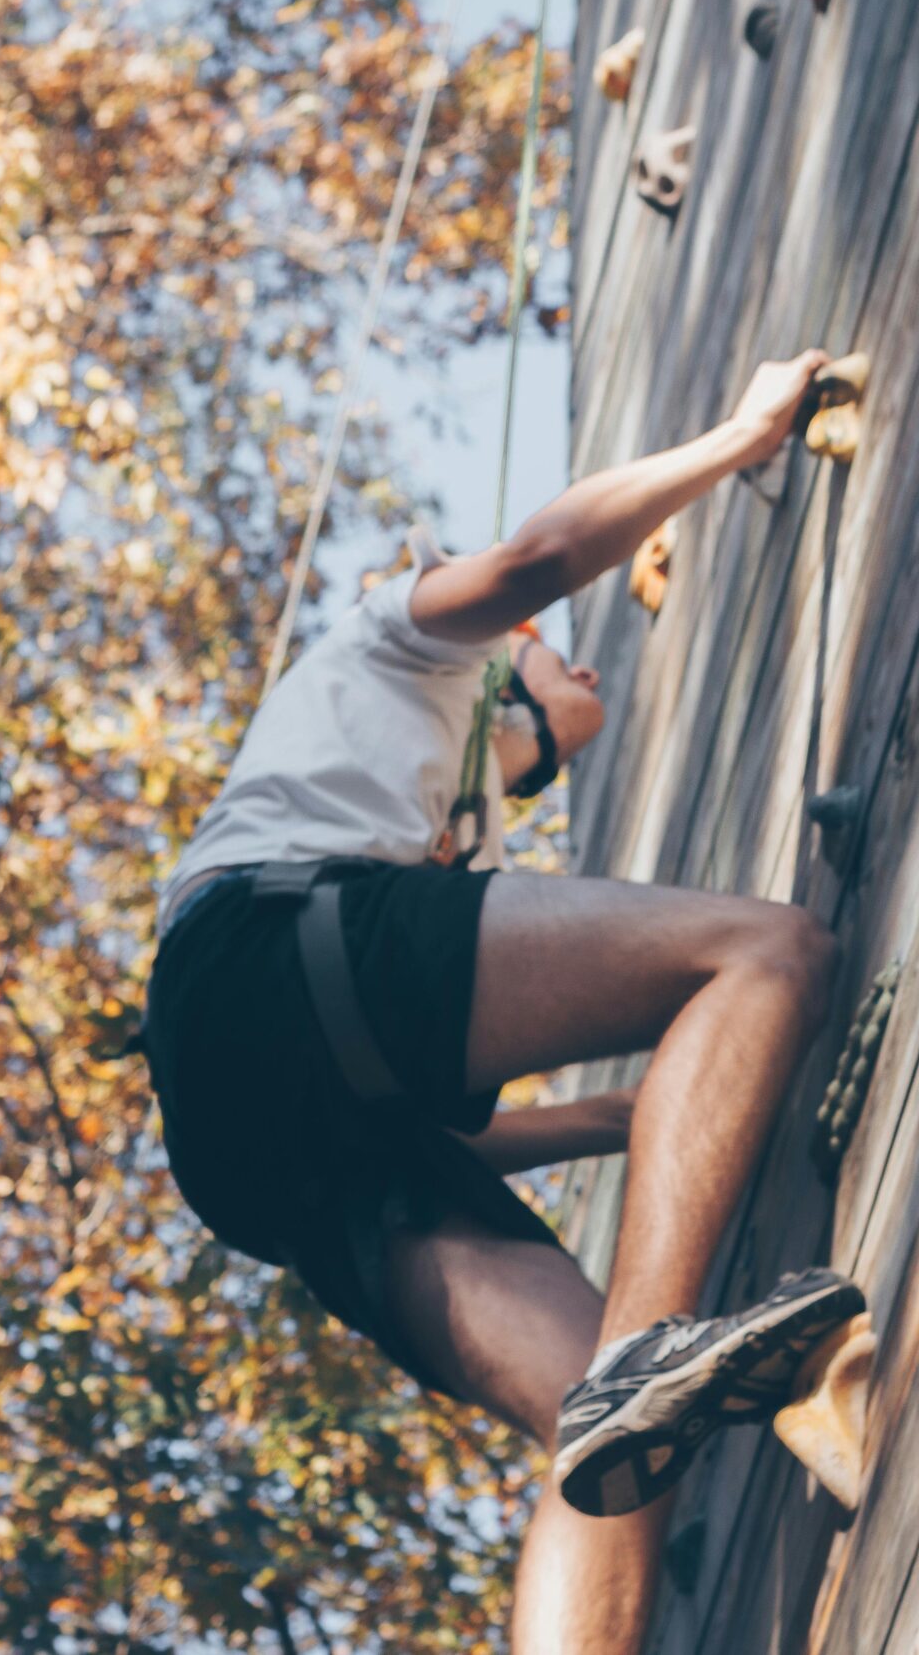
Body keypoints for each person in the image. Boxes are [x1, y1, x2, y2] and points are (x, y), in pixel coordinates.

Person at [142, 347, 865, 1653]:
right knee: (769, 954)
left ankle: (633, 1385)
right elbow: (539, 558)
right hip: (267, 955)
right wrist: (739, 440)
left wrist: (633, 1118)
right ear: (496, 666)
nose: (575, 662)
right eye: (547, 655)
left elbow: (451, 1127)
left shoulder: (428, 833)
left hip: (279, 1151)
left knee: (613, 1440)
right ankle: (653, 1353)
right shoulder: (400, 642)